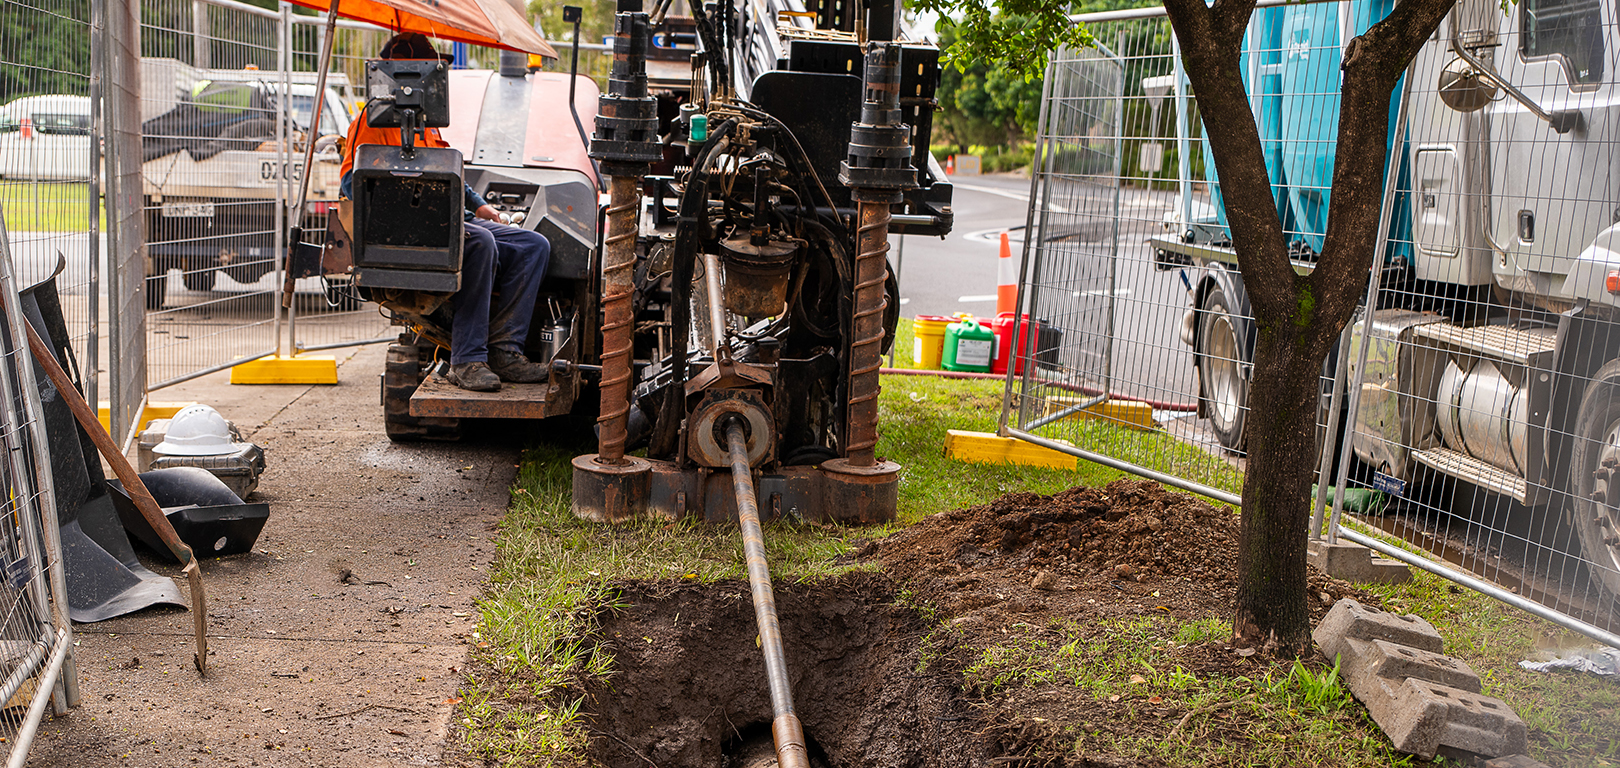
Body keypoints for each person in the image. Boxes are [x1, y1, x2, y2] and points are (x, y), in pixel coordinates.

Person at [340, 32, 551, 393]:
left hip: (448, 220)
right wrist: (400, 189)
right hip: (406, 228)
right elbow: (351, 182)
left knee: (533, 246)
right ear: (405, 72)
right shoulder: (369, 123)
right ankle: (468, 360)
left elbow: (447, 169)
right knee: (481, 243)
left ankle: (505, 350)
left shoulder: (426, 122)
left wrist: (478, 204)